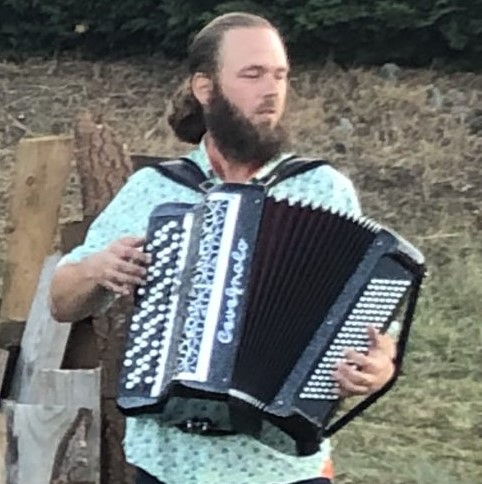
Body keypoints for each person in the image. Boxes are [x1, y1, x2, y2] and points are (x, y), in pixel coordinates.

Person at [50, 12, 396, 484]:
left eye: (280, 75)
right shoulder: (156, 189)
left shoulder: (322, 188)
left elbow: (367, 323)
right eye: (253, 74)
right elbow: (61, 301)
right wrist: (97, 268)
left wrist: (378, 365)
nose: (271, 91)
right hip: (171, 464)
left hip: (283, 468)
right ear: (205, 87)